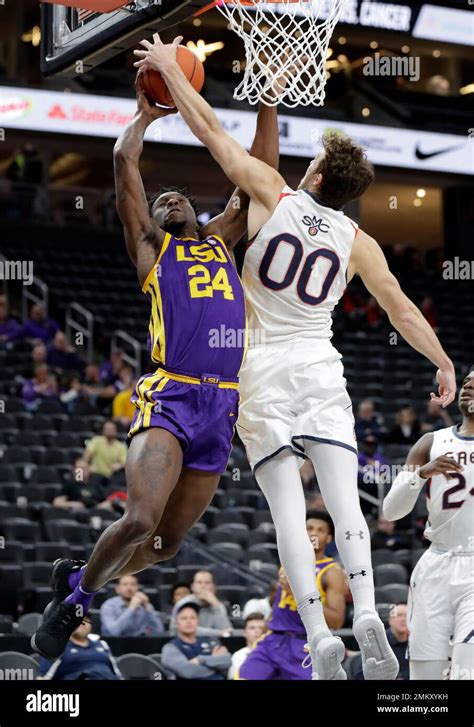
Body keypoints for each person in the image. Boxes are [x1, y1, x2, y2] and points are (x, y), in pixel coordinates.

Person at [133, 33, 457, 680]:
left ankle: (316, 629)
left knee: (287, 509)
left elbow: (212, 136)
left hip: (257, 368)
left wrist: (174, 70)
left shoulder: (271, 195)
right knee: (342, 503)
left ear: (313, 177)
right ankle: (364, 608)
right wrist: (444, 363)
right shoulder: (357, 240)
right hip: (317, 364)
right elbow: (400, 309)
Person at [31, 64, 280, 659]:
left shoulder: (222, 239)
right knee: (141, 521)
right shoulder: (151, 250)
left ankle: (76, 577)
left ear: (197, 211)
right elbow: (124, 166)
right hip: (171, 392)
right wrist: (145, 116)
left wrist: (268, 102)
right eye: (161, 200)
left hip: (221, 401)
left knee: (167, 544)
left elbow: (262, 177)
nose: (168, 201)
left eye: (178, 197)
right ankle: (74, 604)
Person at [383, 367, 474, 681]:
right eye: (466, 382)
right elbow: (391, 511)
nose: (469, 386)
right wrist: (421, 475)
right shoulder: (430, 442)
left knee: (466, 671)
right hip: (435, 564)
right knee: (426, 678)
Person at [237, 511, 346, 680]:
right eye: (309, 528)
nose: (314, 534)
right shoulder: (289, 561)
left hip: (304, 645)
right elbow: (280, 606)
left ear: (329, 538)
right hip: (273, 640)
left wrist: (297, 592)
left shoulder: (332, 572)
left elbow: (337, 621)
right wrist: (265, 630)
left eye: (320, 530)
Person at [37, 616, 122, 680]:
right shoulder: (57, 646)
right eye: (78, 621)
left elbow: (118, 674)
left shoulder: (102, 644)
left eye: (87, 620)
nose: (83, 624)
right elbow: (42, 677)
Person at [161, 602, 231, 680]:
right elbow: (188, 671)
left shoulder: (210, 641)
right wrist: (215, 664)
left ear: (198, 621)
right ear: (176, 623)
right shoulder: (170, 648)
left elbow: (227, 660)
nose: (189, 621)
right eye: (184, 618)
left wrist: (200, 660)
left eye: (193, 618)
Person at [353, 603, 409, 680]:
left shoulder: (418, 644)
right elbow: (360, 674)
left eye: (407, 615)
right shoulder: (375, 641)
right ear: (390, 620)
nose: (403, 619)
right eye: (399, 615)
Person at [170, 570, 232, 637]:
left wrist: (215, 604)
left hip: (213, 644)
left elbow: (227, 631)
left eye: (207, 583)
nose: (203, 586)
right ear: (193, 587)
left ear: (214, 587)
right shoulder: (183, 603)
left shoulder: (217, 605)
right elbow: (177, 629)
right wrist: (217, 633)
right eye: (199, 582)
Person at [100, 575, 164, 636]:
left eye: (133, 584)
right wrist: (131, 608)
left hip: (138, 643)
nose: (129, 588)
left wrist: (147, 607)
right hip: (114, 644)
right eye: (125, 584)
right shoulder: (109, 606)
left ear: (137, 588)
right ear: (117, 589)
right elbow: (114, 632)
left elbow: (159, 631)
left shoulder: (145, 605)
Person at [228, 612, 266, 679]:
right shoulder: (238, 656)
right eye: (252, 628)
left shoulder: (274, 654)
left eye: (261, 628)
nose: (257, 631)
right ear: (244, 633)